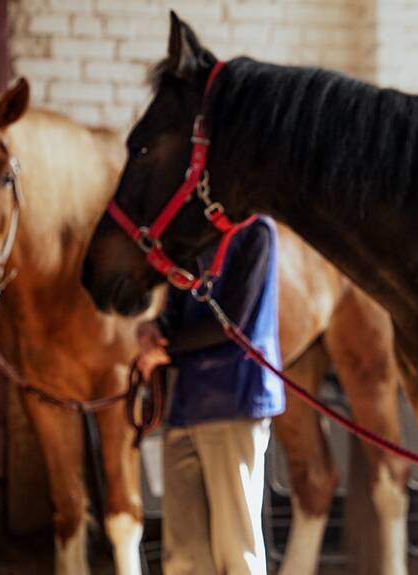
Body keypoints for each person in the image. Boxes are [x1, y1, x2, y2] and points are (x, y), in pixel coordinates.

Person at [136, 215, 284, 575]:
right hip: (186, 402)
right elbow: (177, 306)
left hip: (234, 396)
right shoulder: (193, 234)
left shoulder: (255, 232)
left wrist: (165, 348)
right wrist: (156, 330)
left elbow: (231, 322)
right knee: (184, 552)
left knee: (236, 548)